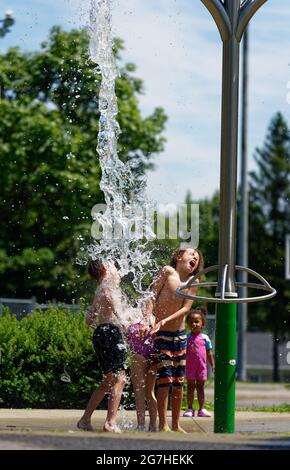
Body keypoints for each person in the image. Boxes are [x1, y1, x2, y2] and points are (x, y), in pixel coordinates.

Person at [149, 247, 204, 433]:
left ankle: (176, 424)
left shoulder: (194, 281)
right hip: (162, 334)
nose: (195, 259)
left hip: (179, 336)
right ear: (179, 257)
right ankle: (163, 424)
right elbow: (151, 295)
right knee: (165, 380)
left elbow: (186, 309)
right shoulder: (167, 272)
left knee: (179, 382)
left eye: (197, 258)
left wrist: (165, 319)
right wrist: (148, 318)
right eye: (192, 255)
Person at [77, 259, 127, 433]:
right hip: (111, 332)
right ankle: (110, 423)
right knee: (120, 379)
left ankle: (85, 420)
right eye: (113, 265)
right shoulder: (107, 289)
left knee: (107, 381)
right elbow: (115, 308)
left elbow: (89, 320)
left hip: (100, 332)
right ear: (106, 269)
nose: (117, 269)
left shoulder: (98, 290)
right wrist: (126, 325)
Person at [126, 314, 158, 432]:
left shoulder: (130, 317)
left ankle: (141, 425)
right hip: (152, 355)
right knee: (150, 392)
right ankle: (153, 425)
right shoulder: (154, 318)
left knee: (139, 393)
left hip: (138, 355)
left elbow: (126, 336)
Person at [183, 307, 215, 418]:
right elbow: (183, 354)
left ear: (202, 324)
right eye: (191, 322)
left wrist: (213, 365)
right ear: (188, 324)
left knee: (200, 388)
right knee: (191, 388)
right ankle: (190, 408)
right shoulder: (186, 338)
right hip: (190, 368)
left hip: (201, 368)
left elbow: (209, 353)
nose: (194, 324)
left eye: (197, 322)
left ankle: (202, 409)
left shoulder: (205, 338)